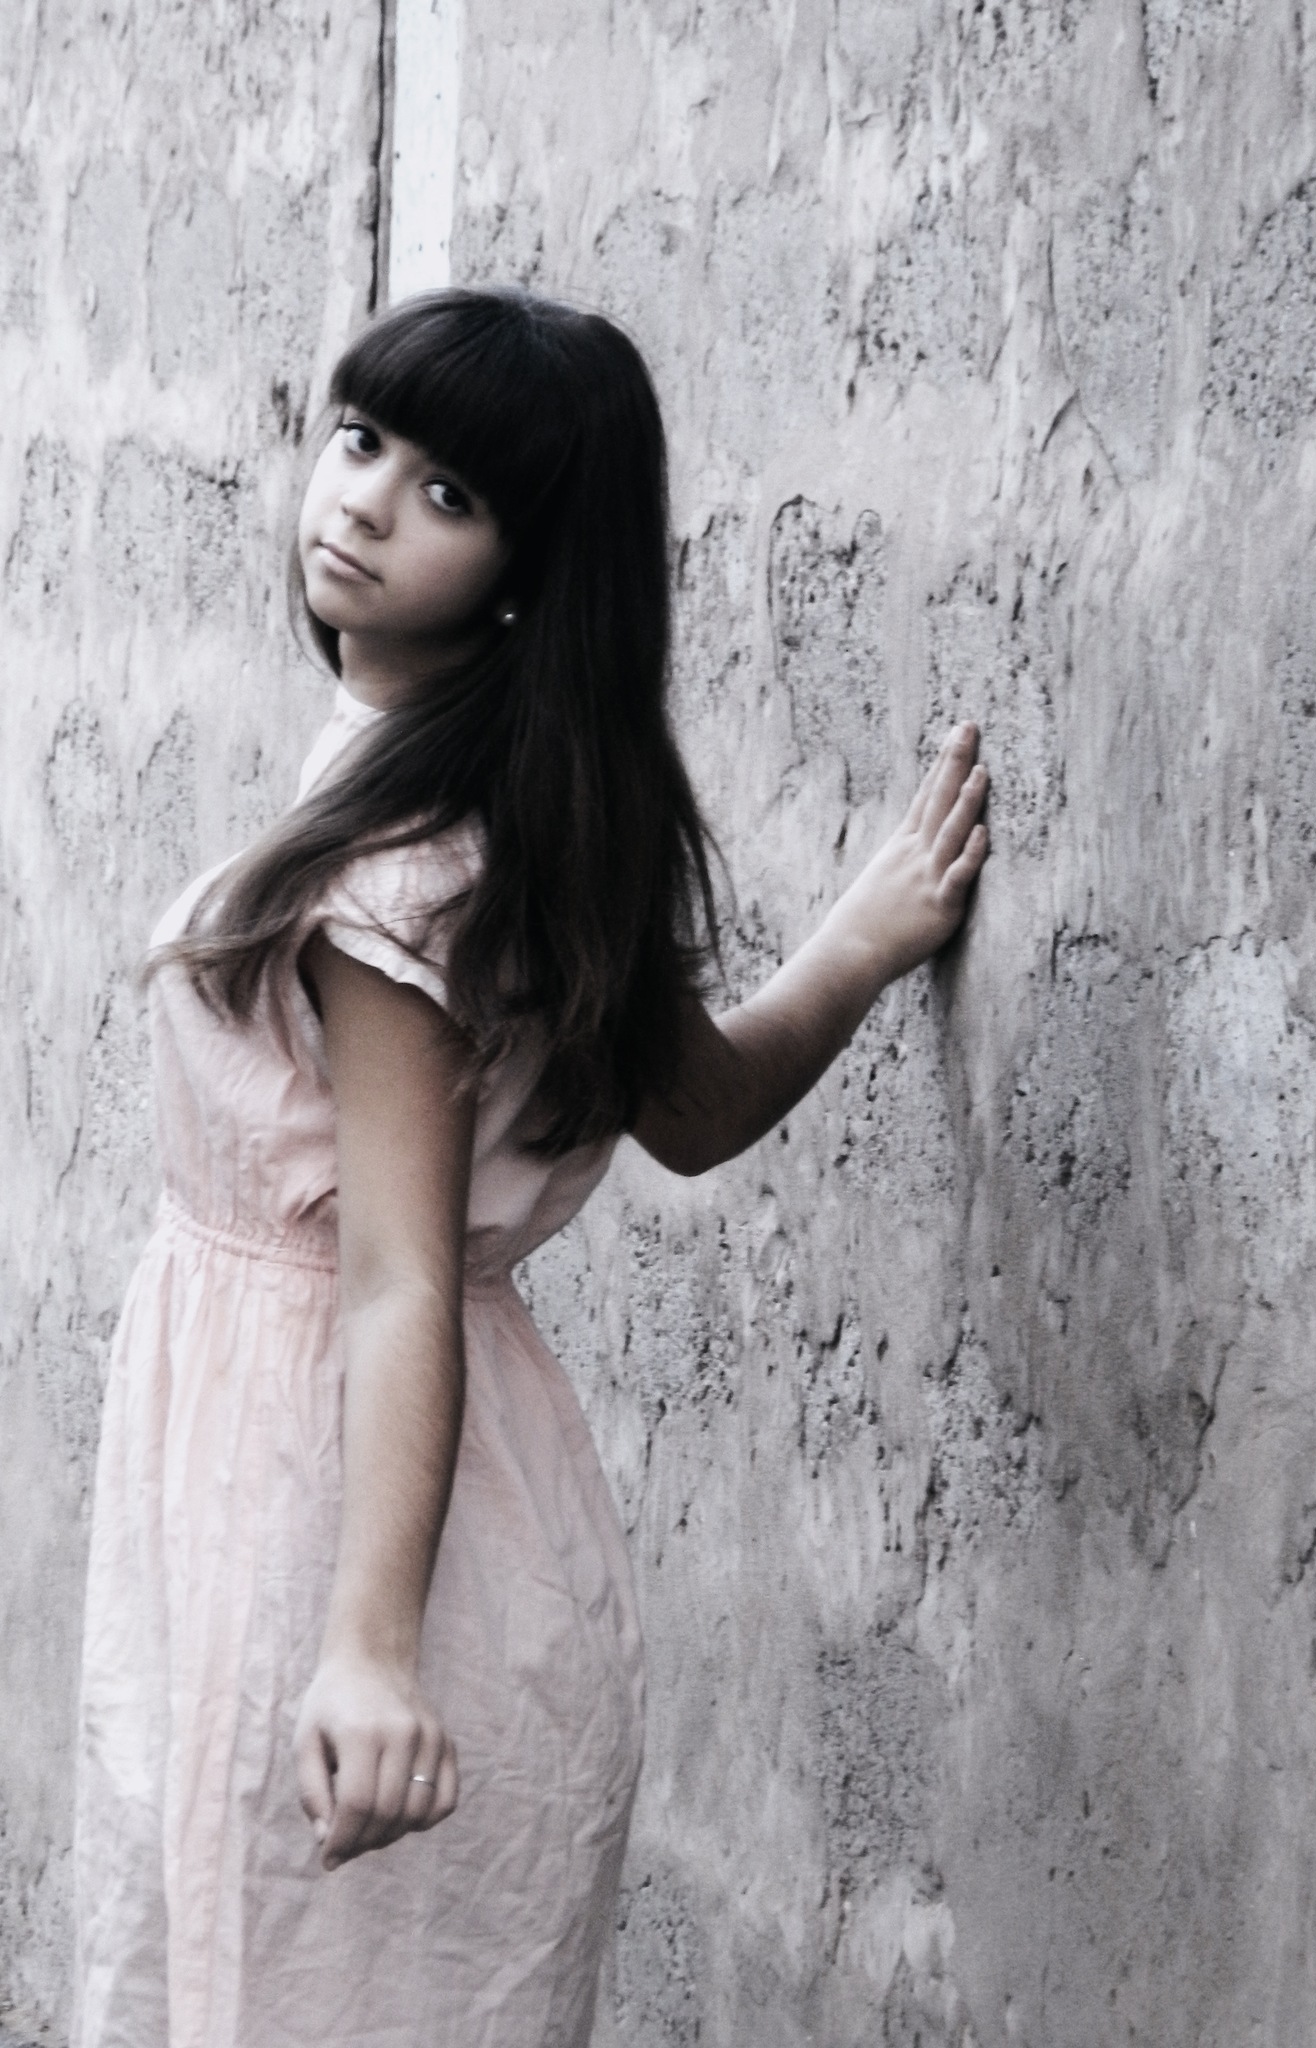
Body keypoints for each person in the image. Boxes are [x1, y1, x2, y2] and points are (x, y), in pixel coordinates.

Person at [71, 285, 989, 2048]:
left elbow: (397, 1272)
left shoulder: (398, 879)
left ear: (525, 573)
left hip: (329, 1511)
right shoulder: (510, 815)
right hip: (383, 1496)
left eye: (448, 493)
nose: (363, 501)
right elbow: (696, 1111)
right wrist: (857, 948)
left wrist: (368, 1646)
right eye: (362, 441)